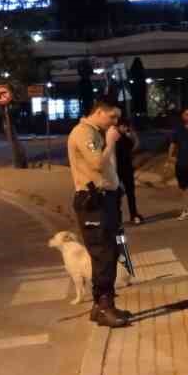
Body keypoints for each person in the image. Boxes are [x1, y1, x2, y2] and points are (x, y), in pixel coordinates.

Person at [67, 98, 130, 329]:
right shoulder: (84, 133)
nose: (115, 122)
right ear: (100, 112)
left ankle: (101, 306)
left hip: (106, 200)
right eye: (112, 117)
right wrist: (111, 142)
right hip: (94, 202)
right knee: (103, 254)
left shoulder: (94, 132)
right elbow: (96, 164)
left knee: (110, 253)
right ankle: (105, 307)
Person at [169, 106, 188, 219]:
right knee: (184, 187)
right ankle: (186, 209)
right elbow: (173, 143)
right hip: (181, 161)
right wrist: (170, 157)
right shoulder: (177, 128)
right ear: (183, 115)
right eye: (187, 115)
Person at [114, 115, 143, 225]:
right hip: (117, 170)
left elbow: (135, 146)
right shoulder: (115, 138)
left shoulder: (126, 138)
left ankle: (134, 215)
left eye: (127, 127)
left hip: (127, 169)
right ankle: (117, 218)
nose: (126, 129)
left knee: (131, 193)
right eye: (125, 127)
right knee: (117, 195)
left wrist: (133, 134)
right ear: (120, 126)